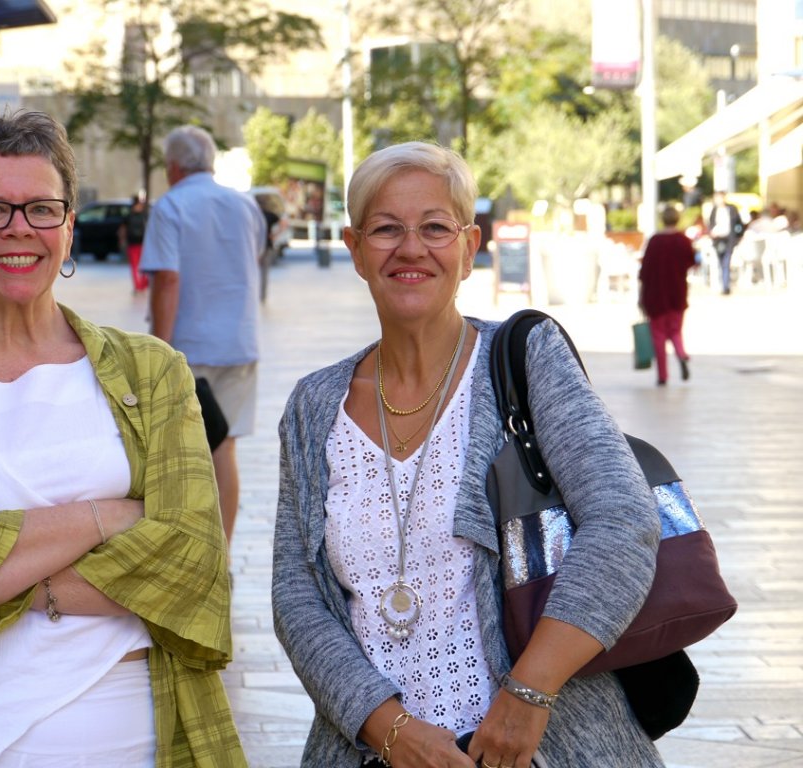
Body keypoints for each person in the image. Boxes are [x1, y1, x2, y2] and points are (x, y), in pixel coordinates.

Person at [0, 110, 244, 767]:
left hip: (145, 742)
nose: (18, 229)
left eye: (41, 208)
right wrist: (111, 515)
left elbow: (196, 568)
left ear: (67, 226)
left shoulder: (153, 373)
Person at [272, 141, 664, 768]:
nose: (410, 248)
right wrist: (390, 729)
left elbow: (624, 522)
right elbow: (297, 595)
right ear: (353, 249)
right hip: (375, 753)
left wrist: (527, 695)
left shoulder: (525, 362)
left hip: (539, 745)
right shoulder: (315, 405)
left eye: (434, 227)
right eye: (385, 229)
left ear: (469, 246)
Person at [139, 125, 268, 545]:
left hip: (189, 348)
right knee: (223, 448)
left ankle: (191, 549)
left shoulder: (171, 207)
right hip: (240, 343)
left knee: (182, 453)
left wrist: (158, 349)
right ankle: (223, 554)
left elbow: (168, 281)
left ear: (173, 167)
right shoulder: (245, 205)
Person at [639, 205, 697, 386]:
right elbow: (691, 262)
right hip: (677, 292)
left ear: (662, 219)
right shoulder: (683, 240)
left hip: (655, 295)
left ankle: (662, 376)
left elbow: (645, 271)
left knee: (658, 335)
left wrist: (641, 296)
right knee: (675, 330)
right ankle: (681, 354)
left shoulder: (654, 241)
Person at [706, 190, 743, 294]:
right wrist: (712, 232)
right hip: (718, 240)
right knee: (720, 262)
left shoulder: (731, 209)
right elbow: (710, 224)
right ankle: (723, 284)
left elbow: (739, 224)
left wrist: (738, 236)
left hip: (729, 239)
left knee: (726, 262)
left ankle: (726, 286)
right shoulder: (714, 210)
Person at [119, 192, 150, 292]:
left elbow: (123, 229)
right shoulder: (145, 215)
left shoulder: (128, 215)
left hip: (132, 243)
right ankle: (143, 285)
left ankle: (137, 285)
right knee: (144, 265)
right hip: (143, 243)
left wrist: (122, 240)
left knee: (134, 266)